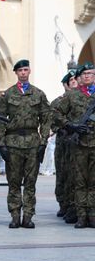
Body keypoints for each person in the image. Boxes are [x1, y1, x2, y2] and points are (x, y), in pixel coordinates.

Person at [0, 59, 50, 228]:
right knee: (13, 181)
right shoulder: (8, 95)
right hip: (13, 143)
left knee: (30, 182)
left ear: (29, 71)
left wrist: (43, 141)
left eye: (26, 70)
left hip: (32, 142)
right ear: (16, 73)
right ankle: (14, 215)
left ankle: (28, 215)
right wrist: (1, 142)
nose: (23, 73)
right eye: (20, 70)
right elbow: (0, 119)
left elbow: (46, 118)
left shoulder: (38, 94)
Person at [53, 62, 95, 228]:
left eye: (91, 73)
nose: (87, 76)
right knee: (79, 182)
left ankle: (92, 215)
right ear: (80, 77)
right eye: (84, 74)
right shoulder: (72, 96)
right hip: (79, 145)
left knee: (93, 182)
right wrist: (70, 125)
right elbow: (56, 112)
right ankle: (81, 216)